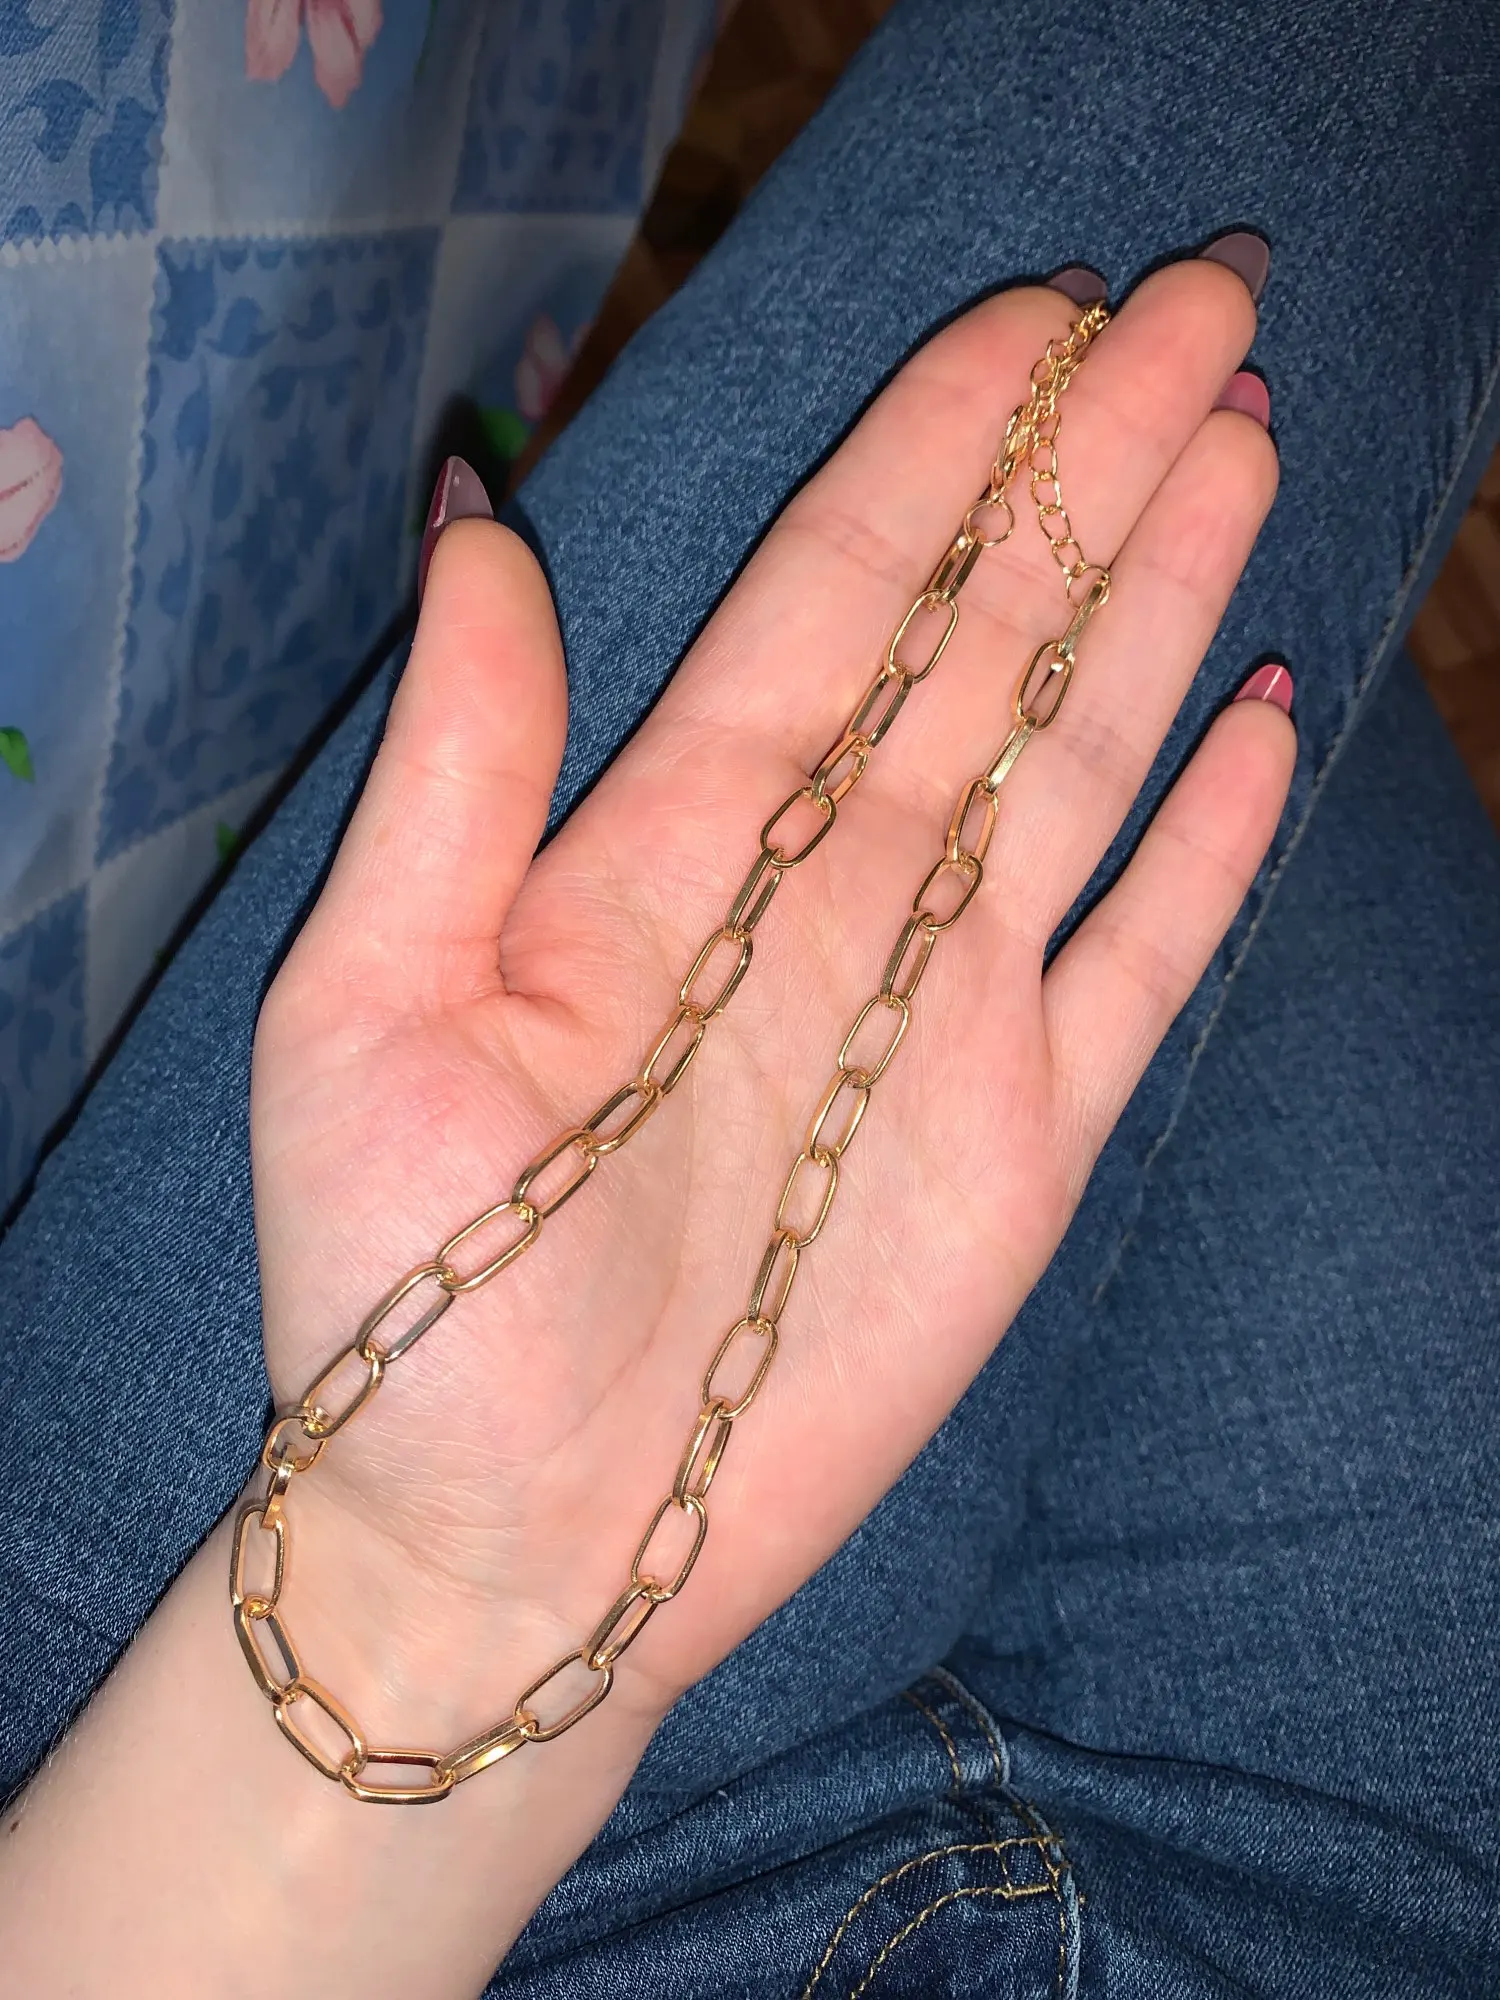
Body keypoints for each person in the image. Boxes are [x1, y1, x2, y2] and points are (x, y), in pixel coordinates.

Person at [1, 4, 1498, 1994]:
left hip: (166, 1792)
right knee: (1229, 633)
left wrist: (416, 1604)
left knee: (1192, 358)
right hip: (1355, 1919)